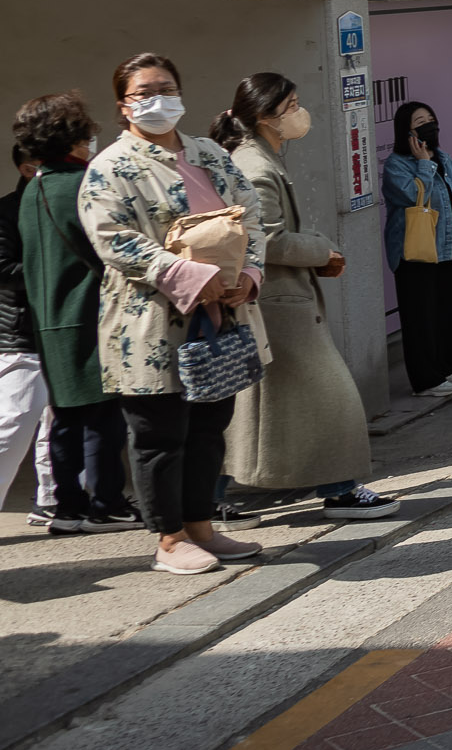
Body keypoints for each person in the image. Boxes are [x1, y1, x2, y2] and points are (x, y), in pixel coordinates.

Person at [77, 53, 269, 575]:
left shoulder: (209, 153)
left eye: (166, 87)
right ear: (124, 105)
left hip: (220, 315)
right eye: (144, 91)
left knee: (210, 423)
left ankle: (203, 526)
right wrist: (190, 276)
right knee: (161, 434)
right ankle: (169, 537)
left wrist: (248, 275)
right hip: (151, 323)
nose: (157, 99)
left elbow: (251, 214)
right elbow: (115, 240)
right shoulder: (111, 167)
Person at [213, 75, 395, 519]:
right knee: (331, 396)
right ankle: (341, 489)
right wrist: (320, 249)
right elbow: (269, 240)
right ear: (264, 116)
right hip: (277, 303)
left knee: (253, 408)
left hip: (278, 301)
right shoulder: (255, 167)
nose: (299, 113)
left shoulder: (259, 157)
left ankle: (214, 495)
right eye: (290, 105)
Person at [15, 97, 128, 535]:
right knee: (103, 416)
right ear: (74, 138)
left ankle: (68, 507)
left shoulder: (34, 189)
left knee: (65, 419)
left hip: (49, 319)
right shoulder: (82, 184)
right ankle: (107, 504)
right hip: (89, 313)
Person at [383, 100, 452, 397]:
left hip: (448, 246)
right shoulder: (397, 164)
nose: (428, 125)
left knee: (446, 311)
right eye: (420, 121)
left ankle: (446, 367)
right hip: (415, 250)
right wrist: (423, 165)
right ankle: (425, 379)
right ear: (406, 130)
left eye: (431, 119)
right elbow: (412, 197)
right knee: (420, 316)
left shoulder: (443, 156)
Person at [0, 145, 51, 528]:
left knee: (57, 421)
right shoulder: (8, 210)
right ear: (27, 166)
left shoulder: (65, 203)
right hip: (21, 333)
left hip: (59, 327)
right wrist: (54, 271)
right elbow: (4, 270)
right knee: (15, 421)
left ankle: (53, 498)